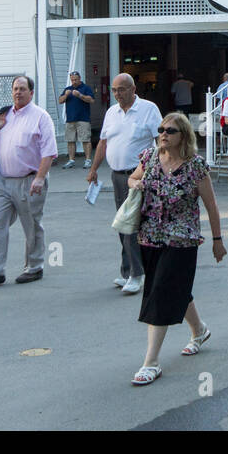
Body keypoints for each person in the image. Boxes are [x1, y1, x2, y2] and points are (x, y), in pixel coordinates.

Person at [128, 112, 226, 386]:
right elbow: (132, 179)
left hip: (182, 239)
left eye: (169, 130)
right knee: (175, 288)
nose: (163, 134)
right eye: (161, 129)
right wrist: (135, 183)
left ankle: (151, 362)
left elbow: (211, 205)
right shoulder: (149, 158)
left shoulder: (195, 166)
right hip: (149, 237)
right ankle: (199, 330)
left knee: (160, 291)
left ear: (183, 135)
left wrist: (218, 240)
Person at [0, 76, 57, 287]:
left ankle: (34, 267)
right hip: (3, 182)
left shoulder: (41, 117)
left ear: (31, 92)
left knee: (31, 225)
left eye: (22, 89)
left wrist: (39, 178)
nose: (17, 92)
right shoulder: (4, 116)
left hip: (29, 180)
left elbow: (49, 152)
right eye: (15, 89)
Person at [87, 73, 161, 295]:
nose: (118, 94)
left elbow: (162, 139)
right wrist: (93, 169)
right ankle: (128, 270)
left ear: (133, 89)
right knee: (122, 223)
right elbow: (103, 142)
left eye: (122, 89)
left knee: (131, 224)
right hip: (117, 175)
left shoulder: (148, 109)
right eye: (114, 90)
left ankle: (137, 274)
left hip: (138, 177)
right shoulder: (112, 112)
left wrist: (156, 170)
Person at [57, 70, 94, 169]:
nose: (74, 82)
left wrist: (80, 95)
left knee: (85, 140)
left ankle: (88, 160)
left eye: (76, 80)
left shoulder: (86, 88)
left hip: (83, 118)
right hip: (70, 119)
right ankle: (71, 160)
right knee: (70, 140)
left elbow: (91, 100)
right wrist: (66, 95)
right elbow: (60, 101)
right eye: (72, 80)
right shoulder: (68, 89)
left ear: (80, 78)